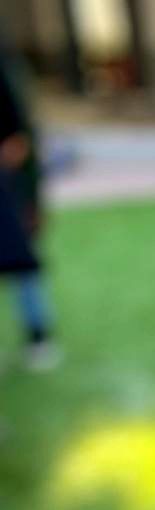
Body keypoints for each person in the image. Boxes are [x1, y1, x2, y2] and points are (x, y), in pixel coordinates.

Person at [0, 53, 58, 370]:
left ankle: (39, 337)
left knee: (24, 267)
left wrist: (33, 200)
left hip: (10, 198)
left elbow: (21, 143)